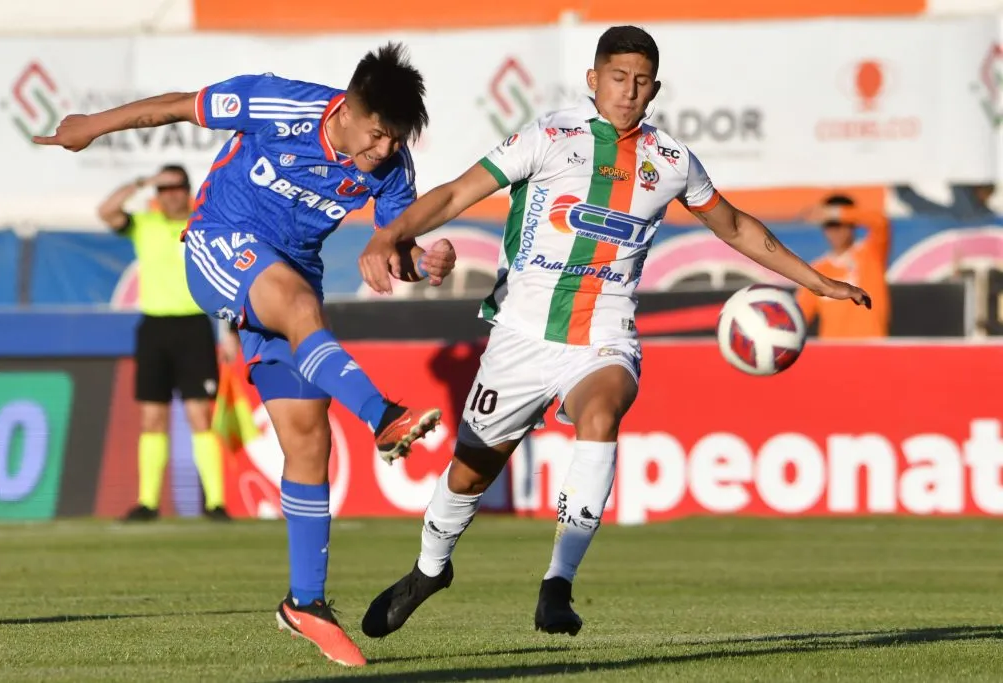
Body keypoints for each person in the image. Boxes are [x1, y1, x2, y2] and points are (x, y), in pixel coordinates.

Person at [356, 26, 870, 639]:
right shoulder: (549, 136)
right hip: (521, 333)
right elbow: (456, 194)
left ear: (655, 89)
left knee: (601, 415)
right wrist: (390, 235)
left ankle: (558, 583)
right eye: (619, 78)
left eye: (642, 82)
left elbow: (734, 225)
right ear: (594, 80)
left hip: (605, 333)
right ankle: (429, 570)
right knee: (469, 473)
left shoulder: (671, 161)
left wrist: (817, 281)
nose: (629, 91)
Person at [36, 43, 456, 667]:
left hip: (291, 279)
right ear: (349, 108)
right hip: (220, 243)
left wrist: (427, 262)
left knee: (310, 439)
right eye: (378, 135)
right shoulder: (278, 102)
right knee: (301, 308)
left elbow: (397, 251)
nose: (385, 149)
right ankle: (383, 414)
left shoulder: (392, 167)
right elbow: (177, 107)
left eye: (396, 139)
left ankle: (305, 603)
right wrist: (92, 127)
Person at [98, 164, 239, 522]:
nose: (171, 194)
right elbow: (106, 211)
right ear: (157, 194)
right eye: (164, 188)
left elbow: (226, 280)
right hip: (155, 328)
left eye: (177, 187)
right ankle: (147, 502)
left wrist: (228, 332)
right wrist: (142, 181)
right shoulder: (145, 225)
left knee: (199, 415)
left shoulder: (203, 226)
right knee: (152, 418)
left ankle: (215, 502)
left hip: (194, 327)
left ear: (187, 191)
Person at [796, 194, 890, 339]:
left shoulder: (871, 254)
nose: (835, 231)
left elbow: (879, 221)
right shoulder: (817, 270)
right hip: (833, 351)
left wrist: (834, 212)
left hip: (871, 348)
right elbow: (799, 317)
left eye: (840, 224)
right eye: (829, 225)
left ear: (852, 224)